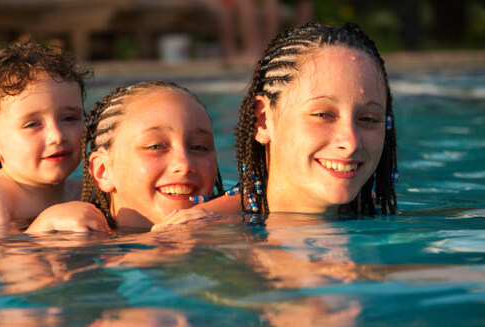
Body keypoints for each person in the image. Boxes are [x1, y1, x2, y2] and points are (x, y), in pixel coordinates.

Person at [198, 22, 398, 217]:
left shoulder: (383, 218)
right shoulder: (198, 236)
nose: (351, 142)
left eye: (369, 119)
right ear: (264, 120)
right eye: (323, 115)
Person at [27, 80, 224, 232]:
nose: (184, 164)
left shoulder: (236, 223)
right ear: (103, 171)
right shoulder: (73, 242)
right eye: (155, 146)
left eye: (199, 147)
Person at [0, 40, 101, 231]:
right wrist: (45, 224)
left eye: (68, 118)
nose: (57, 136)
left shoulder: (86, 191)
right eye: (32, 124)